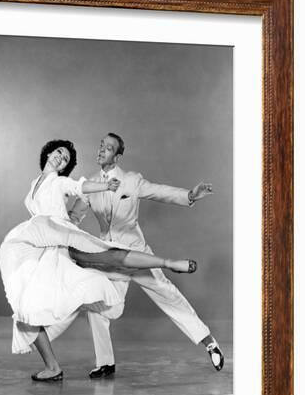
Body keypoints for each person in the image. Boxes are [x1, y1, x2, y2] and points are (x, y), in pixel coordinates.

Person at [0, 139, 197, 382]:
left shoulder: (59, 181)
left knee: (108, 253)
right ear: (49, 152)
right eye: (59, 152)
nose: (61, 157)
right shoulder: (33, 185)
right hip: (41, 246)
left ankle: (169, 264)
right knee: (24, 312)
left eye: (66, 159)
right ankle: (53, 368)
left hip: (62, 240)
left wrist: (104, 187)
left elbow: (79, 187)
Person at [68, 133, 224, 379]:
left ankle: (210, 343)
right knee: (97, 305)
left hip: (137, 255)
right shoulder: (90, 185)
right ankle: (105, 362)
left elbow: (160, 192)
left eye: (108, 148)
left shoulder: (131, 181)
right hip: (109, 259)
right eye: (101, 146)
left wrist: (190, 196)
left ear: (117, 156)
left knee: (169, 296)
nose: (102, 150)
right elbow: (74, 218)